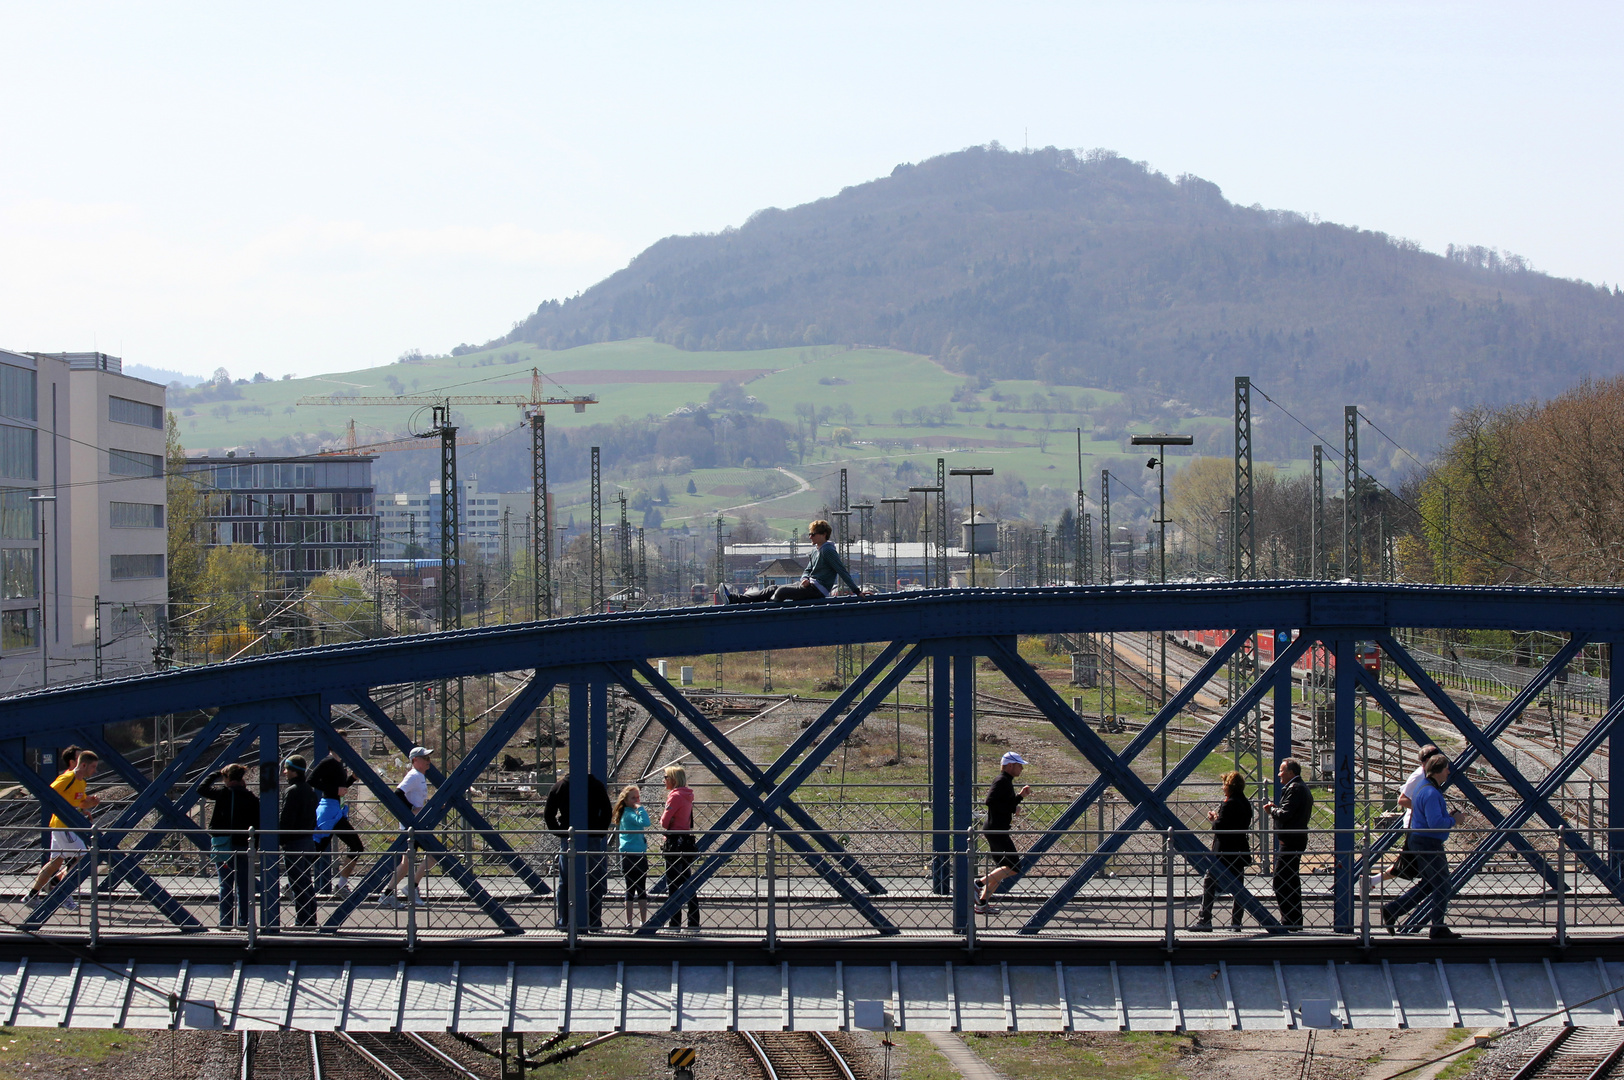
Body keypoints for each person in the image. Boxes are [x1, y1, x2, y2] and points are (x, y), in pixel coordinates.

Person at [1382, 753, 1465, 940]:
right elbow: (1435, 823)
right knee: (1443, 884)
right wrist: (1453, 819)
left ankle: (1393, 909)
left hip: (1419, 840)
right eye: (1446, 769)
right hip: (1429, 843)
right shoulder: (1431, 792)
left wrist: (1446, 816)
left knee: (1428, 884)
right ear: (1438, 771)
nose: (1448, 772)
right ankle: (1437, 927)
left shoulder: (1423, 787)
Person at [718, 520, 864, 604]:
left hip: (818, 591)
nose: (810, 537)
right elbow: (807, 570)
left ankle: (768, 606)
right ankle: (734, 599)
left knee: (781, 591)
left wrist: (857, 591)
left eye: (813, 534)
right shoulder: (815, 551)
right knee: (772, 588)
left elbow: (841, 570)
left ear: (824, 534)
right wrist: (805, 579)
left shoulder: (828, 551)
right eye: (809, 534)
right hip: (809, 587)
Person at [26, 750, 100, 912]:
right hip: (64, 825)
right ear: (84, 765)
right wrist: (65, 810)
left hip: (65, 826)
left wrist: (90, 804)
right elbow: (48, 793)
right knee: (84, 859)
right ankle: (63, 893)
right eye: (93, 767)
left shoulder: (82, 783)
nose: (94, 770)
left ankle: (32, 895)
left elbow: (80, 803)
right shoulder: (67, 778)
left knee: (56, 863)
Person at [543, 768, 613, 930]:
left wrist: (560, 832)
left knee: (565, 882)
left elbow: (549, 815)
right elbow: (607, 811)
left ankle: (565, 921)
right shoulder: (596, 785)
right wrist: (600, 832)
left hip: (568, 838)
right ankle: (594, 921)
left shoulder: (559, 786)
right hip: (592, 837)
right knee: (594, 881)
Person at [1368, 745, 1443, 887]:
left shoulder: (1428, 775)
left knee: (1409, 864)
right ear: (1426, 761)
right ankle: (1373, 883)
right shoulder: (1418, 776)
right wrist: (1424, 808)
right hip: (1415, 825)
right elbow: (1402, 800)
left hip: (1423, 824)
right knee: (1412, 865)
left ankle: (1372, 881)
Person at [1193, 771, 1254, 930]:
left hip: (1223, 852)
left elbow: (1220, 828)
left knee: (1209, 881)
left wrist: (1214, 819)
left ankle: (1205, 919)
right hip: (1239, 850)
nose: (1222, 788)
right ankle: (1236, 922)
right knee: (1238, 887)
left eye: (1224, 785)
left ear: (1230, 786)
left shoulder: (1229, 804)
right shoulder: (1245, 803)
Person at [201, 764, 260, 928]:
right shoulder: (251, 798)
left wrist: (214, 774)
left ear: (227, 778)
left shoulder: (223, 794)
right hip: (244, 846)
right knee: (244, 887)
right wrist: (256, 846)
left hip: (224, 846)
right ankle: (244, 923)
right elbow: (257, 824)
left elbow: (201, 789)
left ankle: (225, 923)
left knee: (226, 886)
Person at [975, 752, 1032, 916]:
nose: (1021, 768)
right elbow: (990, 801)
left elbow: (1004, 803)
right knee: (1014, 867)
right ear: (1010, 766)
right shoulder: (1002, 781)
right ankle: (978, 884)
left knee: (1002, 869)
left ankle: (982, 903)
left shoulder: (1006, 781)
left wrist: (1020, 797)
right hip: (996, 830)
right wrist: (1012, 808)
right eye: (1019, 765)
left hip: (995, 828)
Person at [379, 747, 436, 910]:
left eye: (428, 758)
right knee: (434, 855)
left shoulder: (419, 776)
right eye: (425, 758)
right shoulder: (413, 776)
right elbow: (397, 794)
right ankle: (409, 888)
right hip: (412, 826)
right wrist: (412, 809)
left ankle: (390, 893)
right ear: (415, 760)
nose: (428, 761)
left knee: (406, 864)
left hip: (414, 825)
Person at [1262, 757, 1313, 931]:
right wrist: (1278, 810)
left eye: (1281, 770)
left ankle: (1289, 920)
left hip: (1291, 840)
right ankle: (1294, 921)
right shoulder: (1299, 787)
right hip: (1295, 838)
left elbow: (1286, 813)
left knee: (1280, 880)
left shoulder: (1295, 788)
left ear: (1291, 772)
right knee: (1291, 880)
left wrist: (1272, 811)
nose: (1278, 774)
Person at [309, 751, 363, 899]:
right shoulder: (328, 761)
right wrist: (334, 790)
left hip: (336, 810)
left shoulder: (338, 764)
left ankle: (293, 882)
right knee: (356, 846)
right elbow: (311, 780)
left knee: (318, 849)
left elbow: (340, 789)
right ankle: (340, 885)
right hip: (330, 811)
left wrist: (352, 779)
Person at [278, 755, 320, 927]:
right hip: (307, 840)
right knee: (305, 881)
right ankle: (310, 917)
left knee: (297, 882)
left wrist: (280, 838)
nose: (284, 772)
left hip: (295, 842)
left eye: (287, 769)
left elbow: (287, 819)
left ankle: (302, 919)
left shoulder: (292, 791)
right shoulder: (309, 790)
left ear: (294, 771)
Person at [659, 765, 701, 930]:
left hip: (674, 843)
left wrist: (667, 819)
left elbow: (664, 822)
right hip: (685, 841)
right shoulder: (687, 795)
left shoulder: (674, 796)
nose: (664, 781)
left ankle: (675, 920)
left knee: (673, 883)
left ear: (673, 779)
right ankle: (693, 919)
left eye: (666, 777)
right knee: (686, 881)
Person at [613, 784, 651, 930]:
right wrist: (640, 808)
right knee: (638, 888)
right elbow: (645, 822)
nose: (637, 800)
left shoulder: (626, 813)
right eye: (634, 798)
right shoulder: (629, 814)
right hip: (635, 854)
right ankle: (640, 920)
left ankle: (631, 921)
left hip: (631, 853)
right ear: (626, 800)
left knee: (633, 888)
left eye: (638, 797)